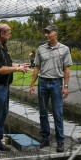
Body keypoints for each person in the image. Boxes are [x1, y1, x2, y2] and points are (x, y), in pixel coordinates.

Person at [0, 23, 30, 158]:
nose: (10, 36)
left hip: (5, 86)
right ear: (1, 34)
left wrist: (19, 65)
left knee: (2, 115)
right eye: (8, 34)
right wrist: (17, 69)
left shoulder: (3, 47)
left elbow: (8, 63)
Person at [29, 25, 72, 153]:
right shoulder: (41, 49)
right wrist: (32, 85)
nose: (46, 35)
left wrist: (65, 86)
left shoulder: (64, 49)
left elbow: (67, 69)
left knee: (58, 114)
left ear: (55, 33)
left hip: (56, 83)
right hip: (42, 83)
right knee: (43, 113)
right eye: (45, 33)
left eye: (48, 32)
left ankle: (60, 142)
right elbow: (37, 67)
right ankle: (45, 139)